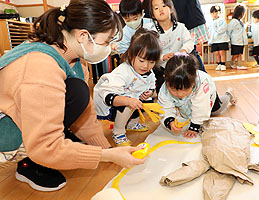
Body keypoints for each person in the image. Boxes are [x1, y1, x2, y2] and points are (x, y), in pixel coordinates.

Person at [0, 0, 146, 192]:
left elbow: (85, 111)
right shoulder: (40, 67)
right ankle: (30, 164)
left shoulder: (74, 57)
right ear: (83, 36)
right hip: (6, 133)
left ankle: (56, 140)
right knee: (74, 98)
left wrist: (106, 149)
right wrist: (106, 157)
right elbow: (45, 146)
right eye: (107, 41)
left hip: (26, 116)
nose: (110, 48)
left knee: (78, 91)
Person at [93, 28, 160, 146]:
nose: (146, 66)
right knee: (128, 106)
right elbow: (108, 96)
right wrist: (128, 101)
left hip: (131, 99)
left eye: (151, 62)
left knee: (143, 103)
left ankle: (131, 124)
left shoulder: (148, 72)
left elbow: (151, 83)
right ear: (130, 54)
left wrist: (149, 92)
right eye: (141, 60)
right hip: (111, 104)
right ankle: (118, 132)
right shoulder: (122, 72)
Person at [158, 53, 237, 139]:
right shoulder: (165, 88)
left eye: (186, 89)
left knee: (217, 110)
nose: (180, 94)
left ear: (194, 80)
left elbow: (201, 107)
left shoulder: (201, 84)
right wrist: (170, 121)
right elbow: (165, 107)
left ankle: (228, 94)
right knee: (188, 113)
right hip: (188, 102)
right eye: (173, 90)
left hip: (207, 96)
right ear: (165, 78)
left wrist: (194, 127)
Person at [145, 0, 194, 94]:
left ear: (171, 8)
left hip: (180, 66)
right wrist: (162, 57)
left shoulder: (181, 27)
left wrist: (184, 51)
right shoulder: (151, 31)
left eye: (164, 6)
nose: (160, 9)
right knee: (163, 90)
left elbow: (189, 41)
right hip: (161, 68)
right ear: (152, 15)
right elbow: (149, 52)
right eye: (156, 8)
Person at [172, 0, 209, 72]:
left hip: (189, 20)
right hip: (190, 18)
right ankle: (202, 76)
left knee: (191, 51)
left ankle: (203, 76)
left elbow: (179, 6)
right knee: (191, 51)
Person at [208, 5, 229, 71]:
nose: (215, 15)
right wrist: (209, 40)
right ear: (211, 14)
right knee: (216, 53)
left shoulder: (222, 20)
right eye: (213, 13)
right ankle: (219, 64)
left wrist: (217, 31)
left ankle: (223, 64)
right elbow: (209, 31)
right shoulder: (210, 22)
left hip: (222, 39)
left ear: (219, 13)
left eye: (216, 13)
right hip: (214, 40)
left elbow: (224, 27)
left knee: (222, 52)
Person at [227, 4, 248, 70]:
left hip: (240, 41)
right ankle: (232, 63)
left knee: (239, 54)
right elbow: (229, 30)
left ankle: (239, 65)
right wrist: (228, 40)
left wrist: (246, 26)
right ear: (241, 13)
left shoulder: (240, 22)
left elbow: (241, 30)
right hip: (235, 41)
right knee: (235, 54)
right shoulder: (233, 21)